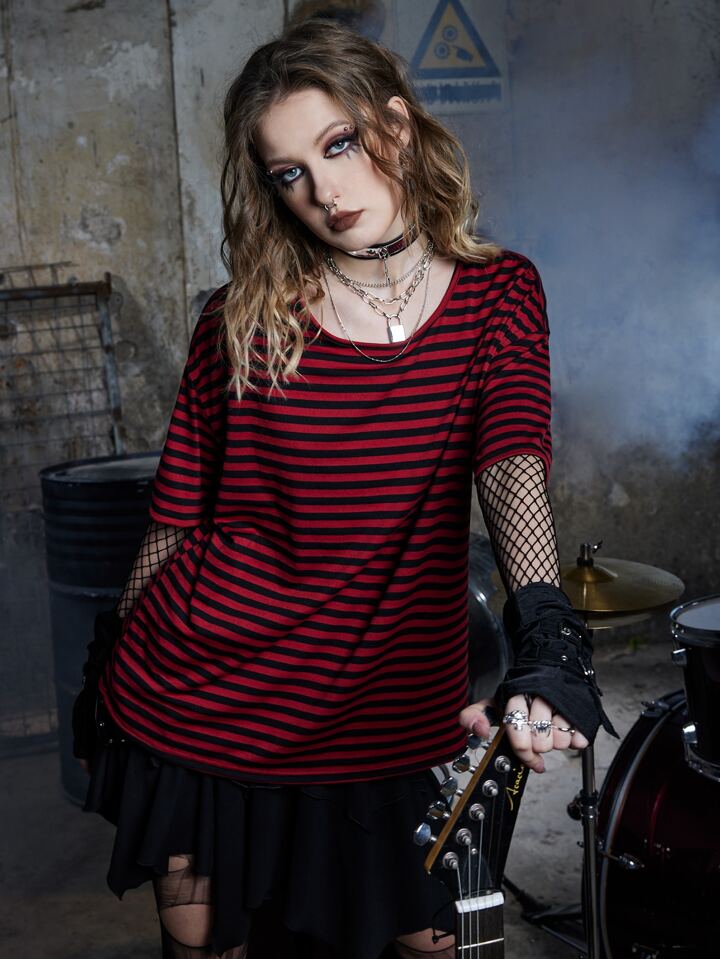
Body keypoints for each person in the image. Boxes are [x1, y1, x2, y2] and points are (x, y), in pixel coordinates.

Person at [76, 17, 615, 959]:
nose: (323, 191)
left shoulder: (498, 294)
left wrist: (547, 633)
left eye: (338, 145)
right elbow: (179, 513)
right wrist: (112, 645)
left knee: (434, 940)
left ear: (394, 127)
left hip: (390, 708)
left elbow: (511, 465)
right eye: (289, 171)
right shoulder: (242, 318)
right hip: (209, 691)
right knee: (204, 940)